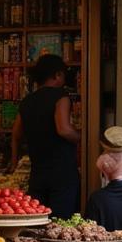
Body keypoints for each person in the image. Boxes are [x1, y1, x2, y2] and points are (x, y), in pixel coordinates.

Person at [12, 54, 81, 217]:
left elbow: (16, 135)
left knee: (38, 219)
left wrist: (14, 162)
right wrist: (82, 137)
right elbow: (63, 129)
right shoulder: (61, 97)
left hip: (37, 173)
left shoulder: (27, 101)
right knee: (60, 222)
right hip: (62, 172)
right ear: (58, 75)